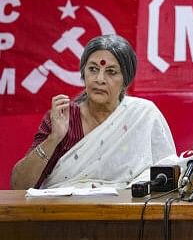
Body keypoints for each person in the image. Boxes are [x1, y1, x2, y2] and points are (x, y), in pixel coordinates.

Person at [11, 34, 176, 189]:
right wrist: (54, 138)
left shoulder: (142, 115)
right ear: (83, 73)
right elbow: (19, 186)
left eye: (111, 72)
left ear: (126, 80)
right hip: (63, 215)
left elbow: (168, 177)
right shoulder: (64, 117)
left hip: (127, 214)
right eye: (93, 69)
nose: (100, 79)